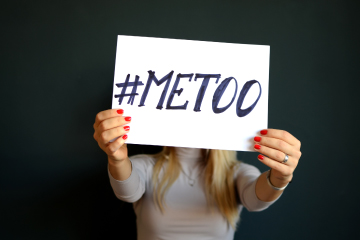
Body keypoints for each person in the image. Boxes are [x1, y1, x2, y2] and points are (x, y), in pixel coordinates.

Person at [93, 109, 301, 240]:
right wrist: (116, 159)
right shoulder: (145, 165)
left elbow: (257, 201)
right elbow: (127, 192)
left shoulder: (236, 173)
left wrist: (280, 177)